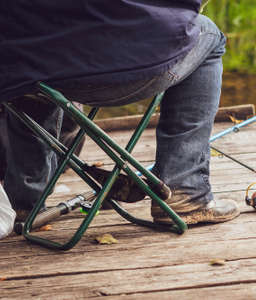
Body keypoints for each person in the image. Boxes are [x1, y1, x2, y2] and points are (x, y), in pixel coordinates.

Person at [0, 1, 240, 225]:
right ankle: (186, 190)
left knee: (35, 56)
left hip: (24, 61)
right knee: (208, 33)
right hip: (115, 66)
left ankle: (24, 201)